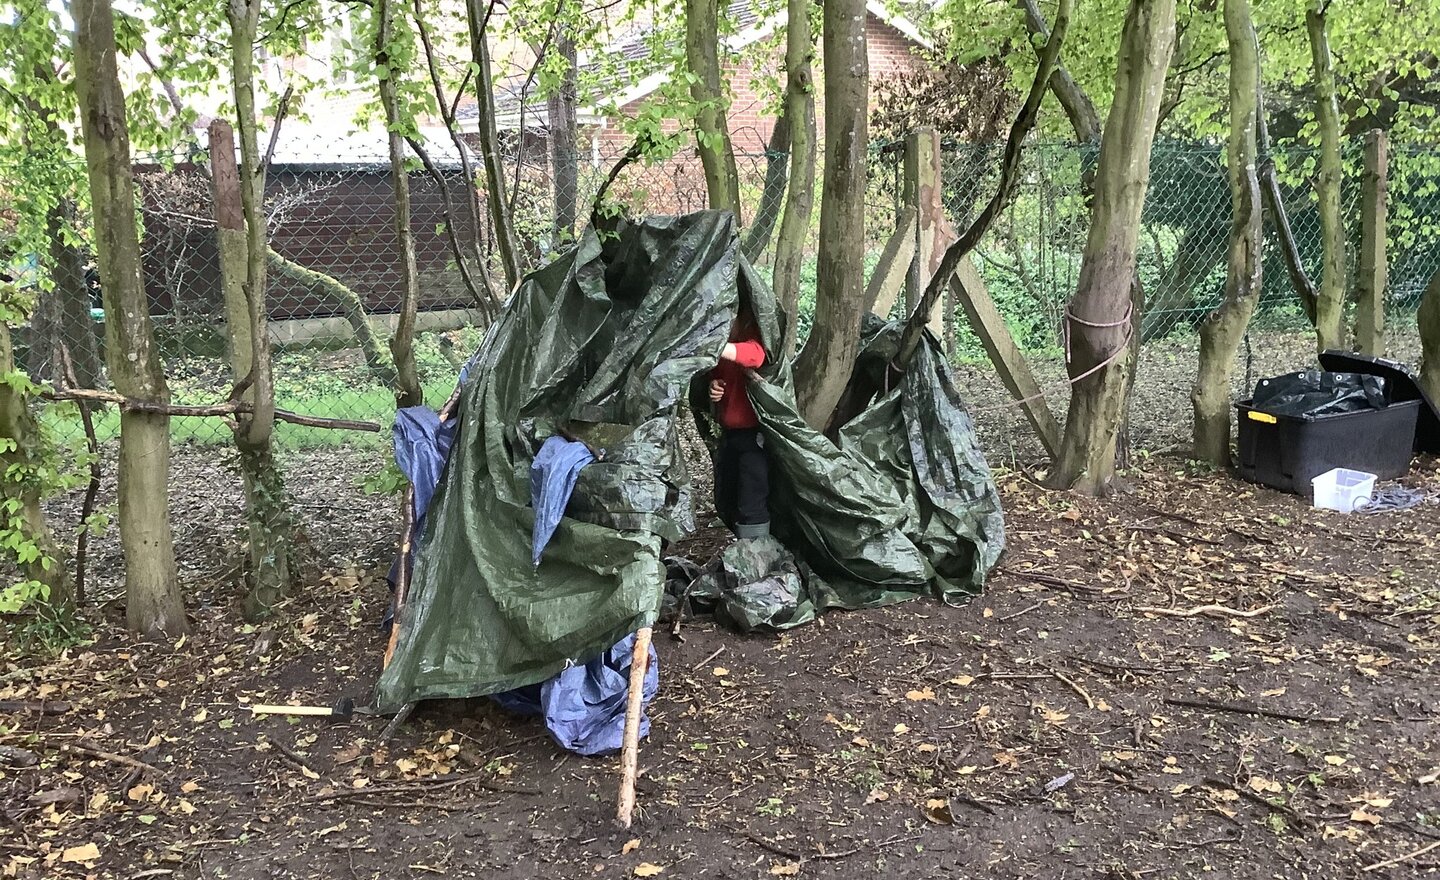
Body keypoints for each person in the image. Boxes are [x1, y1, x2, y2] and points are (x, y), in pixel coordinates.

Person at [709, 307, 769, 539]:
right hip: (730, 433)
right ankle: (741, 552)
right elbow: (717, 374)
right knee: (731, 495)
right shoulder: (726, 334)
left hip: (755, 436)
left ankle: (756, 555)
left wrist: (719, 347)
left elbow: (757, 355)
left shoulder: (755, 328)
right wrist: (713, 387)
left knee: (752, 500)